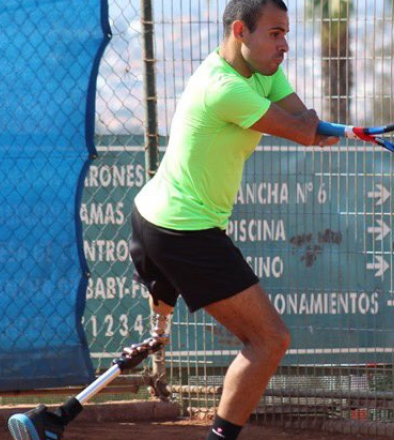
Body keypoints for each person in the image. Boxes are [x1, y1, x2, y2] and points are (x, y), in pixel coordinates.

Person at [129, 1, 337, 440]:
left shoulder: (262, 69)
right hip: (182, 230)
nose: (284, 45)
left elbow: (300, 119)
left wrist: (311, 127)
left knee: (249, 337)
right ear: (241, 30)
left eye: (286, 33)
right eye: (275, 34)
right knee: (270, 340)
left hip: (152, 213)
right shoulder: (223, 87)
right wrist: (313, 129)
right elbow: (301, 128)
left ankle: (157, 326)